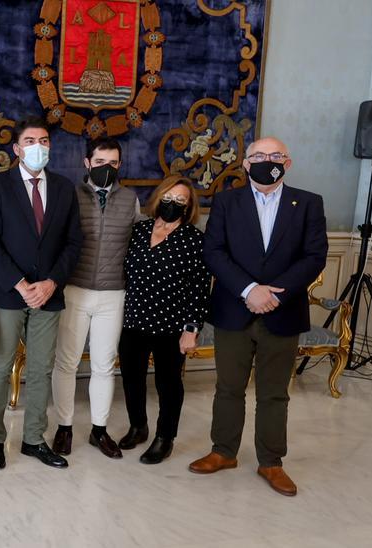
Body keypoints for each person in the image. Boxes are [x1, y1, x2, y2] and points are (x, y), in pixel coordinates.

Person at [189, 136, 327, 496]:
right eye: (260, 155)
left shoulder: (308, 203)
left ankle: (271, 462)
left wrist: (274, 293)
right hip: (234, 309)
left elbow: (314, 257)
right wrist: (250, 290)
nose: (269, 160)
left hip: (283, 311)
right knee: (228, 388)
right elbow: (214, 251)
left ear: (289, 162)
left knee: (274, 393)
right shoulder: (226, 201)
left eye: (277, 155)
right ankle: (224, 452)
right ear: (246, 164)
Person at [0, 115, 83, 471]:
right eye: (31, 141)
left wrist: (51, 282)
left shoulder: (65, 188)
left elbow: (73, 243)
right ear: (17, 148)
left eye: (44, 141)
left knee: (41, 369)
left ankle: (34, 439)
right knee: (0, 365)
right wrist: (20, 284)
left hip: (49, 293)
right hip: (10, 292)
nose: (38, 147)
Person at [50, 138, 144, 459]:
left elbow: (137, 246)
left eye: (113, 163)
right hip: (74, 289)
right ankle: (64, 428)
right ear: (87, 163)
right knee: (66, 363)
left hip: (113, 294)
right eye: (101, 162)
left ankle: (99, 431)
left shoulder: (130, 199)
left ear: (120, 165)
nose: (107, 168)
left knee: (104, 366)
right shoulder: (69, 196)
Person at [117, 176, 209, 464]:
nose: (173, 203)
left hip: (171, 326)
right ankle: (138, 426)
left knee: (168, 384)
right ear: (158, 198)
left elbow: (198, 288)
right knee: (132, 378)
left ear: (189, 206)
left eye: (181, 200)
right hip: (133, 320)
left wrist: (191, 330)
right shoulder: (138, 230)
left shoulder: (194, 240)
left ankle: (164, 437)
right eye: (169, 197)